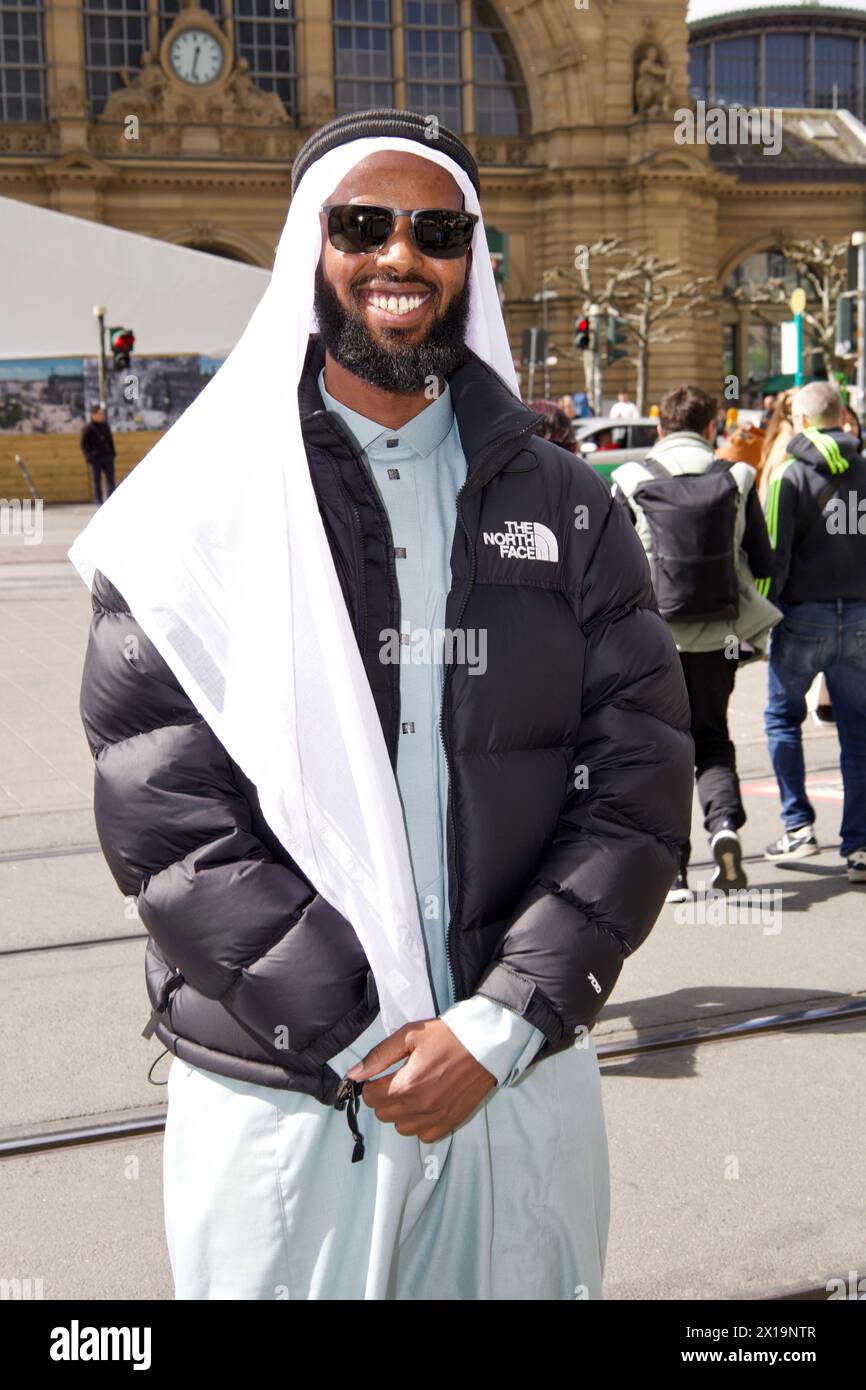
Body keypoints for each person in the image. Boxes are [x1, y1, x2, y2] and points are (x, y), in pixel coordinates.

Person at [69, 109, 693, 1300]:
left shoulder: (570, 506)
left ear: (469, 261)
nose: (398, 256)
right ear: (312, 248)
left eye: (435, 230)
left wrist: (499, 1024)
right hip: (295, 1095)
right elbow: (170, 822)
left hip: (514, 1082)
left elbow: (637, 785)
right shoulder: (194, 513)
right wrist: (363, 1037)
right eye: (362, 225)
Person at [611, 385, 781, 902]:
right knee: (711, 736)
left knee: (665, 751)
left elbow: (613, 569)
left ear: (661, 426)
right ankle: (725, 825)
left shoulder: (629, 478)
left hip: (655, 642)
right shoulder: (737, 476)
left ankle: (677, 872)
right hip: (721, 640)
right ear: (711, 427)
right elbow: (766, 562)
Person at [759, 380, 866, 882]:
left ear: (800, 422)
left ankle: (798, 823)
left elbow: (773, 555)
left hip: (802, 615)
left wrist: (762, 617)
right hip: (862, 616)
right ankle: (860, 845)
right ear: (844, 417)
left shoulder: (788, 477)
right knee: (858, 732)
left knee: (783, 719)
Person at [79, 404, 116, 505]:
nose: (101, 416)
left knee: (111, 481)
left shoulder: (105, 426)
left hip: (108, 457)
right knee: (97, 482)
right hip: (96, 459)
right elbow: (83, 445)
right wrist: (89, 457)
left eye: (102, 414)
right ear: (93, 415)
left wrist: (112, 453)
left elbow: (110, 440)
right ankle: (99, 502)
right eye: (99, 414)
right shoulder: (87, 428)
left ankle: (110, 501)